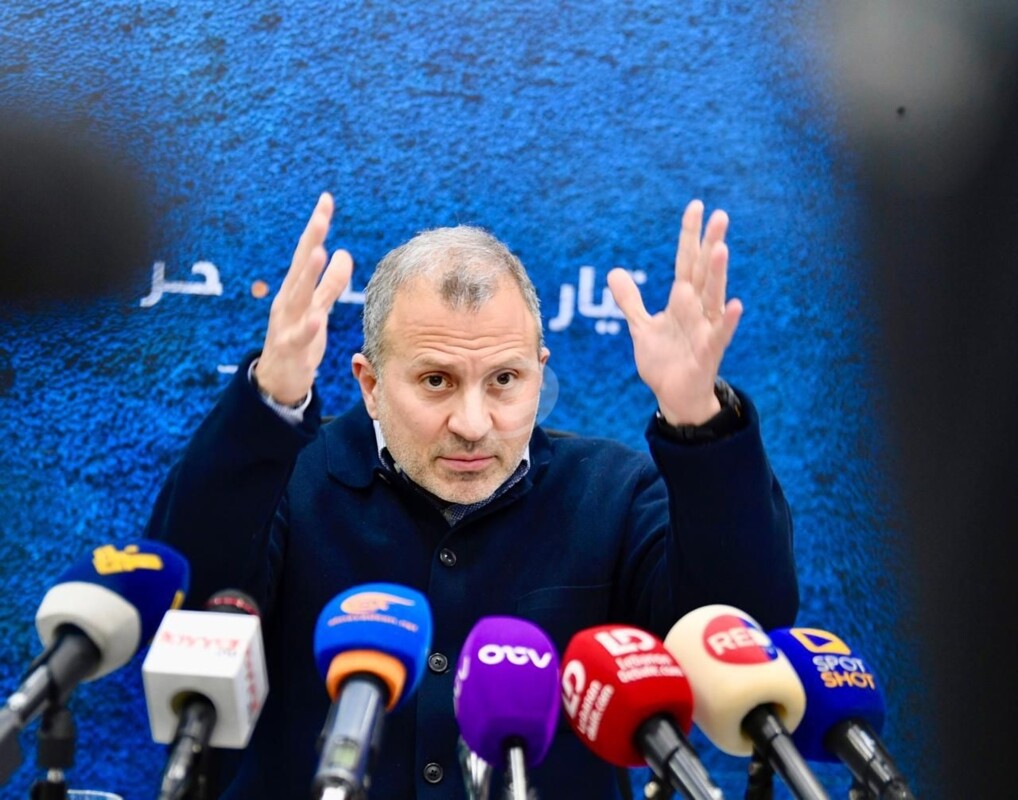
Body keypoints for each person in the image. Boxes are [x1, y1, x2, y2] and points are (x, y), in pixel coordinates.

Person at [146, 192, 798, 799]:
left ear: (540, 374)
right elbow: (190, 598)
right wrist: (270, 403)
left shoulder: (615, 493)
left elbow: (739, 631)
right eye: (436, 380)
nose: (473, 423)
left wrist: (697, 420)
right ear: (371, 384)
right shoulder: (287, 477)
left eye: (505, 380)